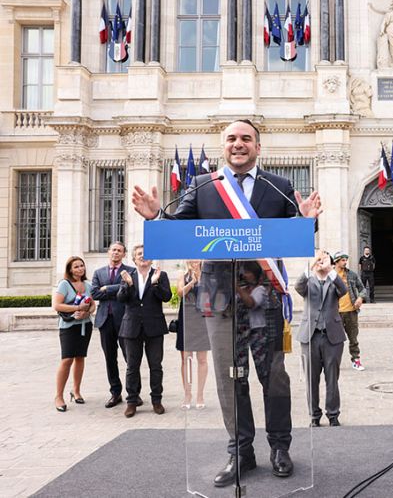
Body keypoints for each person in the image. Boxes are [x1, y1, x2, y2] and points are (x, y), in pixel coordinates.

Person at [131, 119, 322, 485]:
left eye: (246, 139)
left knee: (274, 378)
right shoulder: (203, 186)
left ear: (258, 147)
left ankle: (280, 447)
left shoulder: (277, 186)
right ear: (223, 146)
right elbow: (178, 231)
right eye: (232, 138)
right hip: (218, 301)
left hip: (264, 300)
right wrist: (157, 216)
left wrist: (308, 222)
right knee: (228, 380)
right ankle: (241, 452)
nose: (239, 144)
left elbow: (295, 235)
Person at [117, 244, 172, 418]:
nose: (143, 256)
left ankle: (157, 400)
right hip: (132, 327)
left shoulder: (160, 275)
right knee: (132, 367)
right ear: (134, 259)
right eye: (139, 254)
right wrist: (128, 285)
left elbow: (167, 297)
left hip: (154, 327)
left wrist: (155, 284)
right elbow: (121, 298)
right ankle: (132, 401)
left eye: (146, 254)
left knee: (156, 366)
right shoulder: (127, 275)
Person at [294, 250, 348, 427]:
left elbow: (343, 290)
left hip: (332, 336)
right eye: (318, 258)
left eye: (324, 258)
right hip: (310, 336)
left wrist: (330, 270)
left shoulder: (334, 281)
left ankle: (333, 414)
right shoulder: (308, 280)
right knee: (311, 378)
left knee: (332, 377)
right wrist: (311, 266)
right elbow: (298, 287)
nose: (321, 261)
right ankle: (314, 416)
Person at [91, 241, 135, 408]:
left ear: (124, 254)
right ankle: (115, 393)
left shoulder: (130, 271)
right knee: (110, 359)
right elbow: (94, 292)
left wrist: (106, 288)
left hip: (124, 319)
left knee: (130, 358)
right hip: (105, 320)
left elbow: (129, 289)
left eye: (119, 251)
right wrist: (116, 290)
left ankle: (133, 393)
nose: (116, 253)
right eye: (113, 250)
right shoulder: (98, 272)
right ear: (108, 252)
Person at [52, 256, 96, 412]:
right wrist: (77, 309)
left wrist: (86, 312)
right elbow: (56, 305)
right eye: (76, 266)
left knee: (80, 358)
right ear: (70, 269)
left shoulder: (88, 285)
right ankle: (59, 396)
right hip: (68, 327)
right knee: (67, 359)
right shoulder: (64, 284)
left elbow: (92, 306)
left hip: (85, 326)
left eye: (82, 266)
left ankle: (76, 391)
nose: (80, 269)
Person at [175, 260, 210, 410]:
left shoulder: (209, 275)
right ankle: (187, 394)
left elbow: (212, 294)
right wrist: (192, 282)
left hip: (203, 319)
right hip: (186, 319)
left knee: (202, 359)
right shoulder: (182, 275)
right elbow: (180, 293)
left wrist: (201, 279)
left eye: (197, 257)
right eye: (191, 257)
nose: (194, 260)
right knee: (186, 358)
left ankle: (200, 395)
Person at [333, 251, 367, 371]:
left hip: (351, 311)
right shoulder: (330, 275)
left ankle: (356, 360)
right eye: (343, 260)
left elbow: (362, 288)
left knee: (353, 339)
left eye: (346, 260)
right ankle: (333, 362)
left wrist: (360, 298)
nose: (345, 262)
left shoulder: (351, 275)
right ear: (336, 261)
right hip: (335, 313)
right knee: (335, 340)